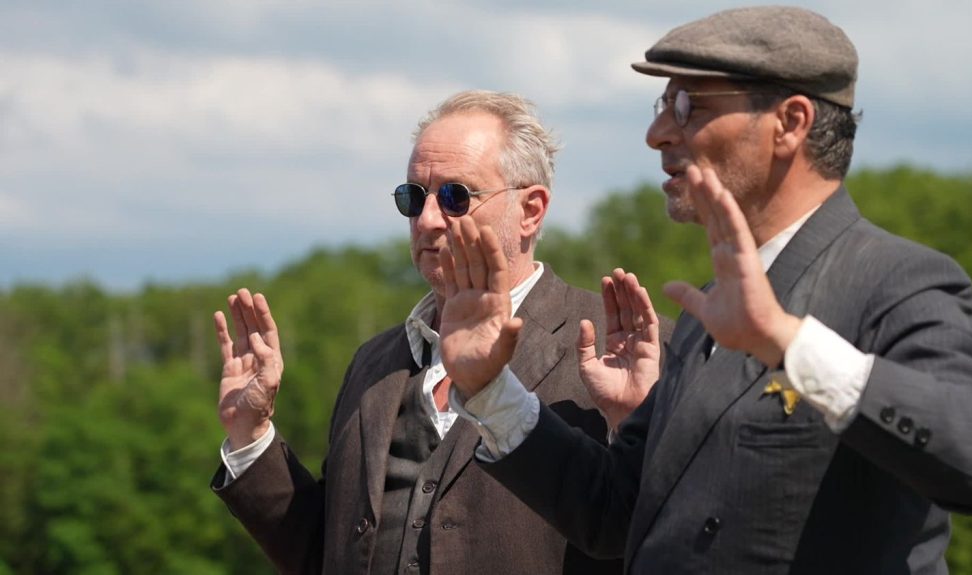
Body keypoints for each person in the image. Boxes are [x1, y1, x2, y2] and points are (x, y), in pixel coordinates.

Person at [439, 6, 972, 574]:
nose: (657, 133)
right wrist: (490, 390)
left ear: (790, 123)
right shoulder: (707, 316)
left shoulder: (895, 281)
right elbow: (615, 514)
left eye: (689, 105)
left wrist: (790, 343)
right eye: (661, 104)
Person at [210, 90, 671, 575]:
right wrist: (251, 436)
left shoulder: (624, 349)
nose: (427, 220)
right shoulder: (375, 361)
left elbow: (654, 531)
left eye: (455, 196)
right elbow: (325, 555)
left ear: (531, 210)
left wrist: (630, 424)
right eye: (413, 197)